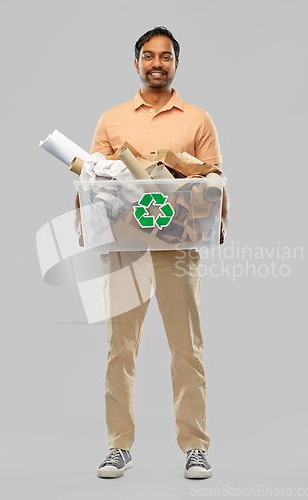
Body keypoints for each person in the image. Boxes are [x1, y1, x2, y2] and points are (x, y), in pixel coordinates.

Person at [75, 26, 229, 479]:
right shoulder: (112, 118)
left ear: (175, 63)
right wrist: (85, 219)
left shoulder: (197, 119)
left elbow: (214, 177)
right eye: (148, 55)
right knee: (120, 348)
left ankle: (195, 446)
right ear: (136, 62)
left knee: (187, 348)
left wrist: (177, 166)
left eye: (165, 56)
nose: (156, 63)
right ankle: (118, 446)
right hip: (126, 245)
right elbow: (92, 177)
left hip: (177, 244)